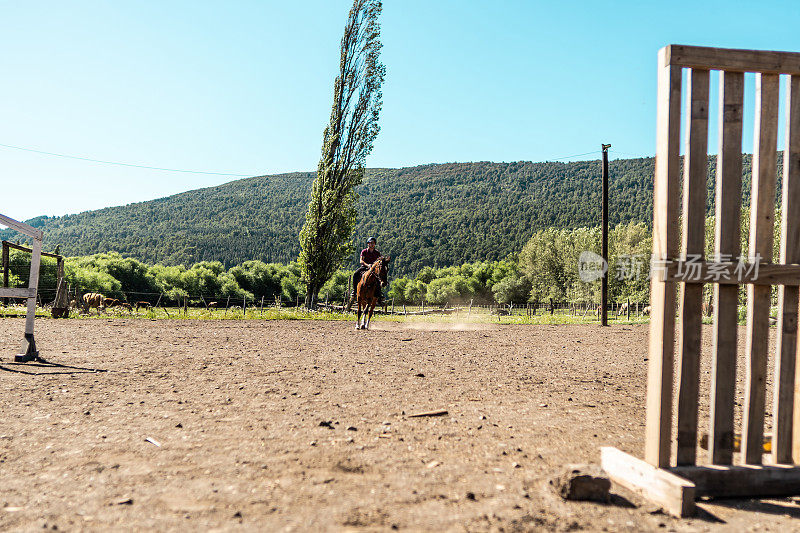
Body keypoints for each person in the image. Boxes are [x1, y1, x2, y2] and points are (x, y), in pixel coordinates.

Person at [351, 237, 384, 304]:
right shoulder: (364, 251)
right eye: (370, 243)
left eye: (373, 243)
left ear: (375, 244)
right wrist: (368, 265)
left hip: (374, 270)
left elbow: (379, 262)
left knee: (379, 279)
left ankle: (379, 295)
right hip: (365, 267)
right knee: (355, 274)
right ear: (368, 244)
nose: (372, 244)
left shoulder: (377, 253)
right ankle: (354, 291)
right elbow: (361, 260)